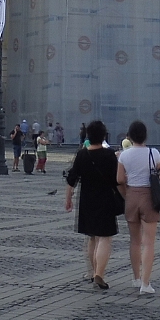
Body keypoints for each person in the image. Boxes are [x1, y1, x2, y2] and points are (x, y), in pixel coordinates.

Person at [65, 119, 120, 291]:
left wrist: (68, 199)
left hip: (86, 201)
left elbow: (72, 179)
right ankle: (100, 274)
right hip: (105, 200)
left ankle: (93, 271)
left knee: (91, 237)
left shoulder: (82, 154)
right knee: (105, 237)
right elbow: (117, 181)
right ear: (103, 136)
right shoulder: (109, 155)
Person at [116, 119, 160, 295]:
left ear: (129, 136)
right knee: (149, 243)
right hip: (149, 197)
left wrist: (126, 194)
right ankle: (146, 283)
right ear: (145, 135)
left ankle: (136, 278)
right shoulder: (154, 153)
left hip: (131, 196)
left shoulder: (124, 155)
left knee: (134, 240)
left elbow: (120, 179)